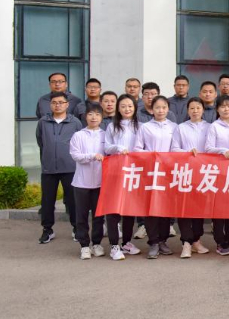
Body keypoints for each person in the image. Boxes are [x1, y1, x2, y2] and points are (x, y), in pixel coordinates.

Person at [36, 92, 83, 244]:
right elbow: (41, 141)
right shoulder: (43, 122)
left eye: (61, 102)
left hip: (70, 167)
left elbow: (79, 142)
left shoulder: (75, 122)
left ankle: (77, 228)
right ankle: (47, 230)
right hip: (49, 168)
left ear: (67, 104)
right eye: (54, 103)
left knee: (73, 201)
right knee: (47, 201)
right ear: (50, 105)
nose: (58, 105)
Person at [133, 95, 176, 259]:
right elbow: (137, 149)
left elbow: (176, 149)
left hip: (168, 173)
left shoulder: (174, 127)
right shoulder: (145, 127)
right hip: (150, 172)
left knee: (165, 208)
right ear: (152, 109)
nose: (161, 110)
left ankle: (163, 240)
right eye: (157, 107)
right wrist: (152, 155)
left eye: (164, 107)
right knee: (151, 208)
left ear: (168, 109)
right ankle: (153, 242)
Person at [171, 97, 211, 257]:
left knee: (199, 209)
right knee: (185, 208)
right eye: (192, 108)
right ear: (187, 111)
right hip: (185, 172)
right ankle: (186, 242)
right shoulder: (181, 127)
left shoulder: (209, 127)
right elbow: (174, 148)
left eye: (198, 108)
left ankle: (196, 240)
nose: (195, 111)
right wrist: (187, 152)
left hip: (203, 173)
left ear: (203, 110)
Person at [205, 95, 229, 255]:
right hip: (219, 171)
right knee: (219, 208)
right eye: (222, 106)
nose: (226, 109)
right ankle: (220, 241)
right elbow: (208, 148)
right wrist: (222, 150)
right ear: (217, 109)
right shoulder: (214, 126)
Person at [69, 104, 107, 260]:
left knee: (99, 216)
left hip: (100, 182)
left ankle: (96, 243)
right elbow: (75, 155)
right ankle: (84, 245)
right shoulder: (78, 135)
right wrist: (92, 156)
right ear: (85, 116)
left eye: (97, 114)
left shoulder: (106, 135)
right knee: (81, 216)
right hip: (81, 183)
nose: (94, 117)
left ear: (102, 117)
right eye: (91, 114)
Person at [104, 94, 141, 251]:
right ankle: (114, 245)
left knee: (129, 209)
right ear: (118, 108)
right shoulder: (112, 126)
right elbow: (106, 147)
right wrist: (118, 148)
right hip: (116, 171)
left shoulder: (140, 126)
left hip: (134, 172)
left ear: (135, 108)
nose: (127, 109)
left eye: (130, 106)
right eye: (123, 106)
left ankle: (126, 242)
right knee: (114, 208)